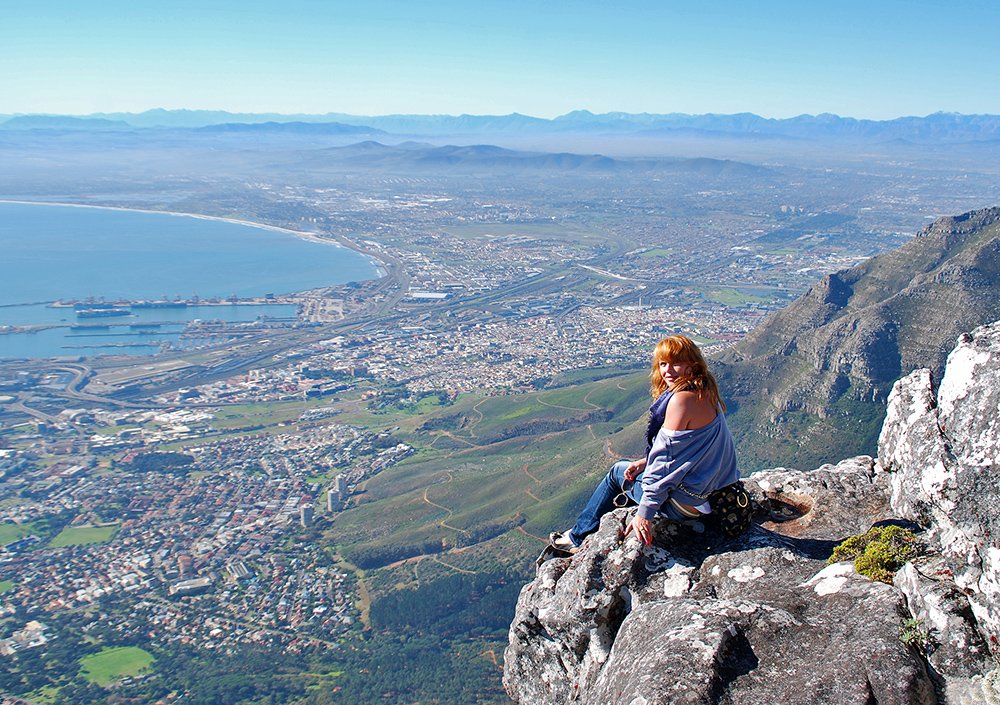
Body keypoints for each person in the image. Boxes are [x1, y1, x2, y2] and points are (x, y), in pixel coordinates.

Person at [550, 335, 739, 553]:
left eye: (675, 362)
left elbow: (664, 462)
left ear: (692, 365)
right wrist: (644, 462)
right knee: (631, 469)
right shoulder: (706, 392)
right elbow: (689, 451)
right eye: (663, 364)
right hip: (711, 495)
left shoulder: (681, 400)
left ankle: (577, 538)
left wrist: (644, 514)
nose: (668, 370)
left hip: (684, 504)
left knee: (616, 473)